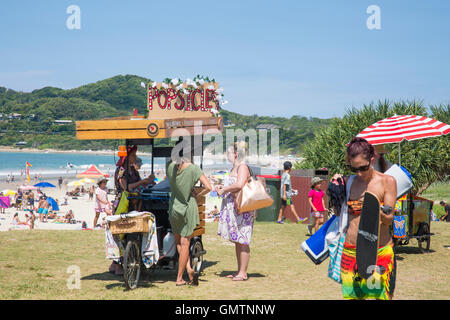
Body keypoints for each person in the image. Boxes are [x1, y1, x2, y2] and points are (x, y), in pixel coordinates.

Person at [337, 137, 397, 300]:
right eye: (353, 168)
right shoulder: (349, 181)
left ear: (372, 159)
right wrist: (333, 193)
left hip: (377, 253)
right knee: (352, 297)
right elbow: (340, 216)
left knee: (375, 297)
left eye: (363, 168)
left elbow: (389, 219)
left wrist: (377, 210)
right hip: (350, 251)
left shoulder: (387, 182)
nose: (359, 173)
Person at [166, 139, 212, 286]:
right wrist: (197, 195)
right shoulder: (193, 168)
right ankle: (180, 278)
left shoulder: (170, 167)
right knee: (186, 243)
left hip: (174, 208)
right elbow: (208, 187)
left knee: (178, 241)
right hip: (187, 208)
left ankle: (188, 268)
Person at [216, 142, 256, 282]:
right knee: (237, 240)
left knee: (243, 239)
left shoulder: (242, 166)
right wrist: (222, 186)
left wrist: (224, 189)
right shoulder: (235, 167)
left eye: (228, 153)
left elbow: (239, 185)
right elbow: (234, 184)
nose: (226, 155)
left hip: (242, 208)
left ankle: (243, 272)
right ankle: (240, 270)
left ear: (236, 154)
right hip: (234, 207)